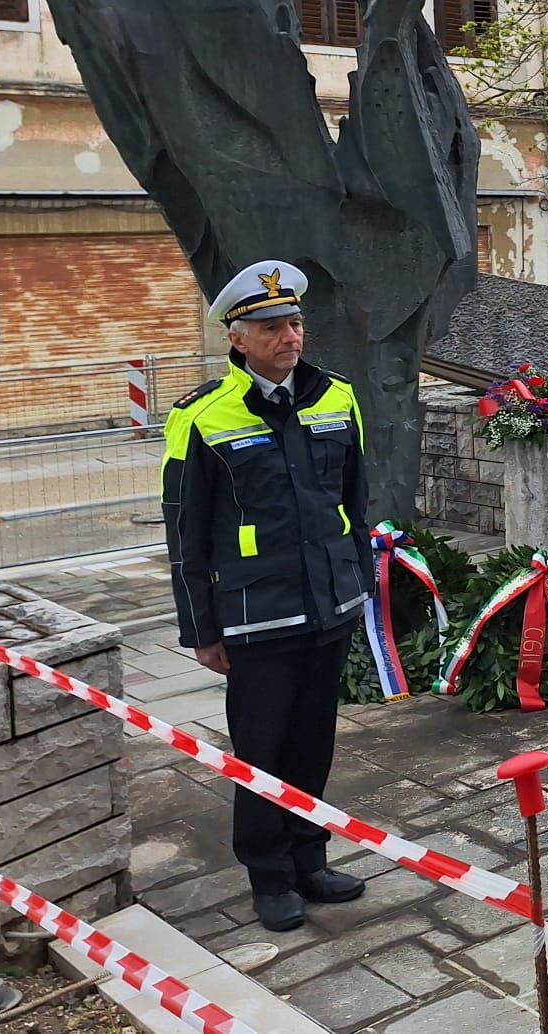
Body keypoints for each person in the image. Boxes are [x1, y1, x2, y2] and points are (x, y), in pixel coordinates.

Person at [163, 260, 375, 932]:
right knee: (261, 750)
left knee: (313, 743)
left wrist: (361, 585)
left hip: (328, 605)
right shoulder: (200, 416)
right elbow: (186, 530)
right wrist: (201, 628)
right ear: (238, 338)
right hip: (257, 615)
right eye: (272, 326)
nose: (290, 335)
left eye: (294, 322)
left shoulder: (337, 397)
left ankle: (310, 858)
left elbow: (357, 503)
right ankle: (270, 874)